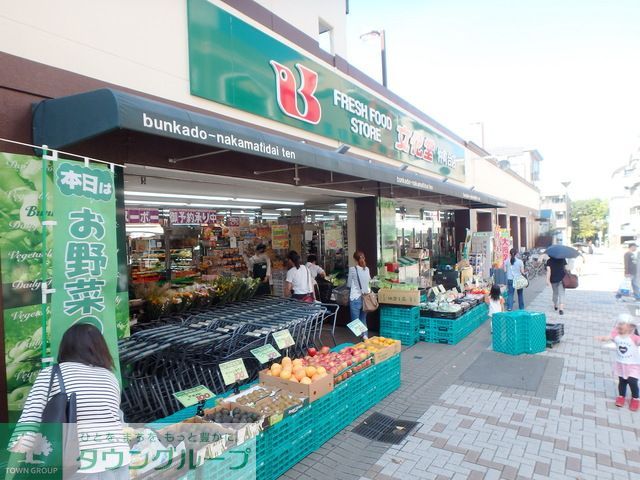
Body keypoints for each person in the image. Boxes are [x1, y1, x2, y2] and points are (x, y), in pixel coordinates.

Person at [11, 323, 130, 478]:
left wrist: (12, 469)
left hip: (78, 468)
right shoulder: (110, 377)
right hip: (117, 462)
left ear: (66, 347)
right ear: (100, 348)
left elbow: (28, 424)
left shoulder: (51, 374)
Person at [595, 314, 640, 411]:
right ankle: (621, 396)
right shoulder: (616, 335)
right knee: (622, 382)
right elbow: (608, 337)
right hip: (621, 364)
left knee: (632, 382)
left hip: (633, 365)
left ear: (630, 327)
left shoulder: (634, 337)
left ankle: (635, 398)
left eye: (622, 324)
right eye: (619, 324)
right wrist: (602, 338)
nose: (619, 326)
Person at [347, 250, 371, 339]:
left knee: (354, 321)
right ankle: (365, 337)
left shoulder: (352, 269)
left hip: (355, 298)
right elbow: (368, 281)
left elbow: (349, 284)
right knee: (363, 319)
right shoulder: (367, 269)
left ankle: (362, 335)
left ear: (355, 259)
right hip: (365, 298)